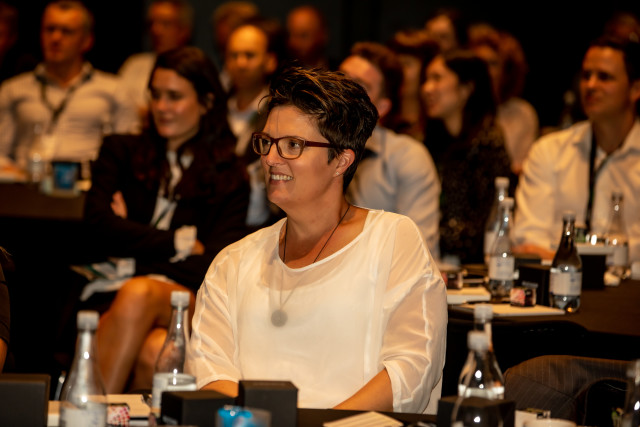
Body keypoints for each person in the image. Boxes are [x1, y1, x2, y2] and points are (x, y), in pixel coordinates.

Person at [185, 66, 447, 414]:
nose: (271, 159)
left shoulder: (392, 240)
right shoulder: (234, 261)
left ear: (341, 160)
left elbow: (410, 372)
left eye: (292, 145)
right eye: (266, 143)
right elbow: (208, 369)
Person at [80, 46, 250, 393]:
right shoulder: (120, 152)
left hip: (185, 298)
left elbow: (215, 264)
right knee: (155, 351)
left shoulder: (229, 175)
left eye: (174, 97)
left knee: (139, 290)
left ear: (206, 102)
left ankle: (90, 412)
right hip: (109, 292)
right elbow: (97, 227)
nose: (161, 106)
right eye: (155, 95)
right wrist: (178, 243)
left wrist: (130, 241)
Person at [513, 37, 640, 262]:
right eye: (586, 76)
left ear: (635, 89)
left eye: (604, 77)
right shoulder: (549, 151)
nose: (591, 85)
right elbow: (527, 241)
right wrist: (583, 264)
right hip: (560, 280)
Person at [0, 0, 138, 176]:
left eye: (66, 31)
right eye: (50, 29)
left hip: (88, 186)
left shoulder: (114, 89)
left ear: (86, 40)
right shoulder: (13, 89)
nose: (56, 38)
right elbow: (1, 152)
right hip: (26, 184)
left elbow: (129, 155)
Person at [340, 41, 441, 258]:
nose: (341, 91)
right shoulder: (305, 149)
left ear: (381, 107)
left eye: (358, 85)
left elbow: (418, 252)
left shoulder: (407, 156)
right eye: (340, 78)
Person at [422, 50, 512, 265]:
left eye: (437, 78)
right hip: (431, 255)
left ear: (466, 89)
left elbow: (482, 225)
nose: (426, 88)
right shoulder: (429, 142)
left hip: (472, 267)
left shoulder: (487, 144)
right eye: (426, 79)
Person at [225, 18, 284, 227]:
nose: (240, 63)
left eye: (249, 55)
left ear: (270, 61)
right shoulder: (213, 110)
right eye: (234, 55)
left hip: (266, 222)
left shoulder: (281, 113)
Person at [469, 24, 539, 175]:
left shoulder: (522, 113)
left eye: (492, 64)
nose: (485, 71)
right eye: (479, 63)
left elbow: (519, 169)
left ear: (507, 71)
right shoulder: (459, 109)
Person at [118, 0, 194, 122]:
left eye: (166, 24)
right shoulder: (134, 64)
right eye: (152, 24)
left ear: (183, 30)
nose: (156, 30)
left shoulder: (194, 68)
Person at [387, 28, 439, 141]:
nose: (399, 71)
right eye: (396, 64)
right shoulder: (380, 116)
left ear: (426, 70)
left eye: (406, 64)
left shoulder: (438, 123)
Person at [286, 5, 331, 70]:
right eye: (290, 34)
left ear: (322, 34)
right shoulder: (283, 71)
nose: (293, 42)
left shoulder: (340, 69)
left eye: (303, 35)